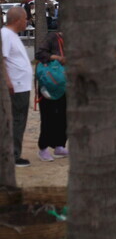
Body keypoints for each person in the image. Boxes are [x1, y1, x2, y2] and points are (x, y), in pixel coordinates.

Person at [3, 7, 34, 167]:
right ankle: (13, 155)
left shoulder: (12, 35)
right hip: (16, 86)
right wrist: (8, 81)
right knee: (17, 120)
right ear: (17, 20)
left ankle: (14, 153)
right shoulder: (6, 35)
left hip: (21, 85)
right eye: (25, 19)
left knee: (19, 120)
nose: (27, 21)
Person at [35, 24, 68, 161]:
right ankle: (43, 148)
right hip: (49, 85)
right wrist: (56, 57)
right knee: (48, 117)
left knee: (63, 116)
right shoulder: (51, 37)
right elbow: (40, 54)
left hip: (64, 85)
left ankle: (59, 145)